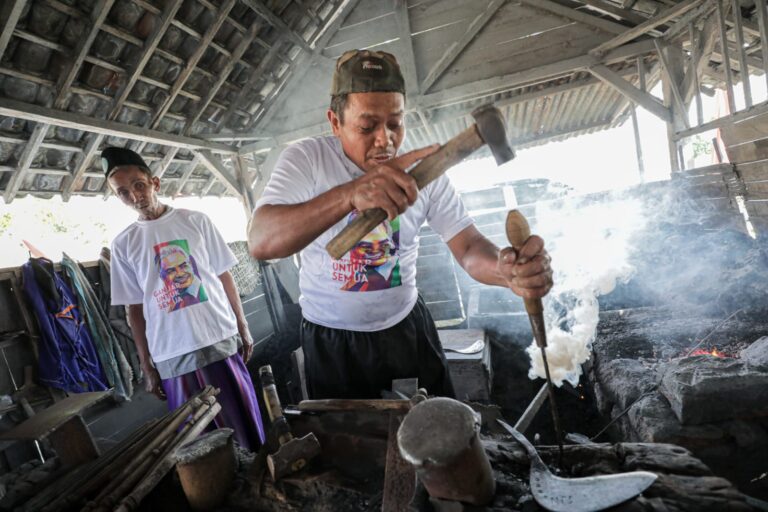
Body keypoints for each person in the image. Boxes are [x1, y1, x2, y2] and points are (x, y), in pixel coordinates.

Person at [248, 49, 553, 400]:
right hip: (332, 340)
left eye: (395, 123)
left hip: (407, 329)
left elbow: (468, 247)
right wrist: (349, 194)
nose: (385, 139)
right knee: (351, 447)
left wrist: (507, 272)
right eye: (367, 126)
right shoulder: (307, 160)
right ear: (335, 122)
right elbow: (261, 241)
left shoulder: (426, 171)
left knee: (437, 438)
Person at [104, 147, 265, 450]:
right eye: (123, 192)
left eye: (139, 184)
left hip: (217, 335)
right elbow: (133, 310)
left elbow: (224, 275)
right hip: (171, 352)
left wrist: (242, 326)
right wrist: (147, 366)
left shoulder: (196, 221)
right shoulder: (124, 244)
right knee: (197, 441)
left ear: (155, 182)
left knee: (243, 422)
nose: (134, 195)